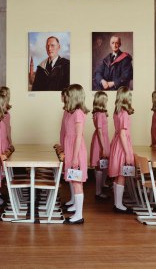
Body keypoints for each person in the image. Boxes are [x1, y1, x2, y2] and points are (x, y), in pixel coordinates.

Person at [62, 84, 89, 224]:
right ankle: (77, 211)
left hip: (76, 151)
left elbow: (78, 136)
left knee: (77, 182)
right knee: (74, 181)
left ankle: (79, 215)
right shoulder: (72, 112)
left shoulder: (78, 113)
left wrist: (74, 157)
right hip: (71, 148)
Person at [108, 86, 135, 213]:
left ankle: (117, 203)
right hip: (122, 145)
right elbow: (123, 134)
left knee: (118, 174)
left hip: (116, 143)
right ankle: (118, 205)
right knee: (122, 174)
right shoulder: (124, 113)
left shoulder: (117, 112)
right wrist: (128, 153)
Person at [90, 91, 110, 200]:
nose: (107, 102)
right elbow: (100, 131)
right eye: (105, 100)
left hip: (102, 139)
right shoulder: (100, 114)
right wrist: (103, 147)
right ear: (102, 101)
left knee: (103, 164)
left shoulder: (99, 113)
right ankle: (98, 191)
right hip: (100, 141)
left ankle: (102, 184)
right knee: (99, 166)